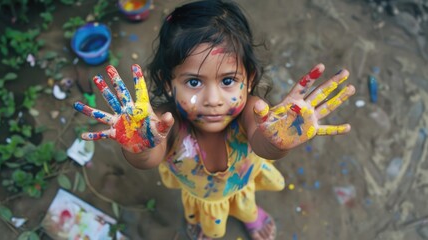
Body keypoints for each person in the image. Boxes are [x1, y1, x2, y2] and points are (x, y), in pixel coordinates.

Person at [73, 1, 356, 239]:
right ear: (168, 83)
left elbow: (264, 146)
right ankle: (205, 221)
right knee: (205, 219)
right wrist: (142, 144)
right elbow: (147, 160)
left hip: (241, 186)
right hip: (200, 196)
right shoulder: (164, 124)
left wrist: (280, 139)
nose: (213, 99)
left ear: (250, 80)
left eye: (229, 80)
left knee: (246, 205)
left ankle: (251, 215)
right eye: (194, 82)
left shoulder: (254, 111)